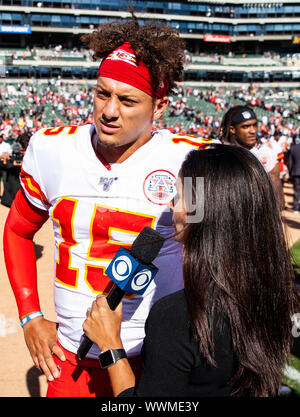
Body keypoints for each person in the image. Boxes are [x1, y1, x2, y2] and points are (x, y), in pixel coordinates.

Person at [3, 16, 217, 397]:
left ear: (160, 106)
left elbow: (212, 254)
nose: (109, 111)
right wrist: (31, 315)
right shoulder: (54, 150)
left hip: (156, 359)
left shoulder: (192, 163)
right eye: (103, 93)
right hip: (70, 357)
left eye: (128, 99)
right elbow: (18, 229)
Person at [83, 144, 300, 397]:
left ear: (202, 213)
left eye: (177, 197)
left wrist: (111, 347)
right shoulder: (282, 297)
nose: (172, 209)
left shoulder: (178, 317)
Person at [219, 105, 285, 210]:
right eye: (246, 126)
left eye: (254, 125)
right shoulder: (216, 152)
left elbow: (278, 202)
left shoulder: (263, 154)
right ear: (232, 129)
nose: (253, 131)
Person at [288, 138, 300, 213]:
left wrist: (290, 173)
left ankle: (296, 208)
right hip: (296, 172)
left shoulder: (293, 148)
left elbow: (290, 162)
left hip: (296, 172)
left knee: (296, 190)